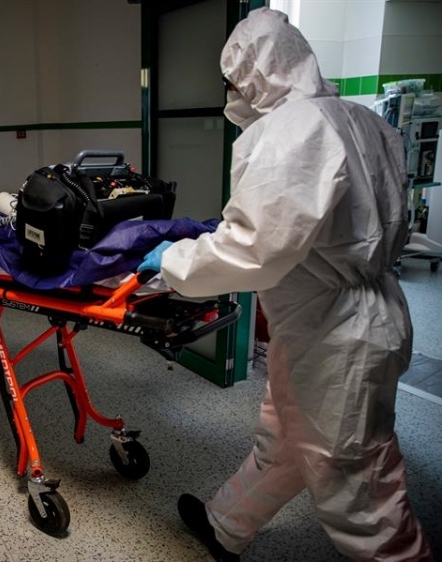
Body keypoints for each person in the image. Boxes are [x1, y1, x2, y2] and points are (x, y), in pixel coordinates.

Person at [139, 9, 431, 561]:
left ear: (256, 72)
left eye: (233, 81)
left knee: (356, 483)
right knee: (286, 439)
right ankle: (225, 525)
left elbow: (254, 248)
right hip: (346, 313)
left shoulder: (294, 128)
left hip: (336, 334)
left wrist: (173, 260)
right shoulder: (361, 119)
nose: (231, 94)